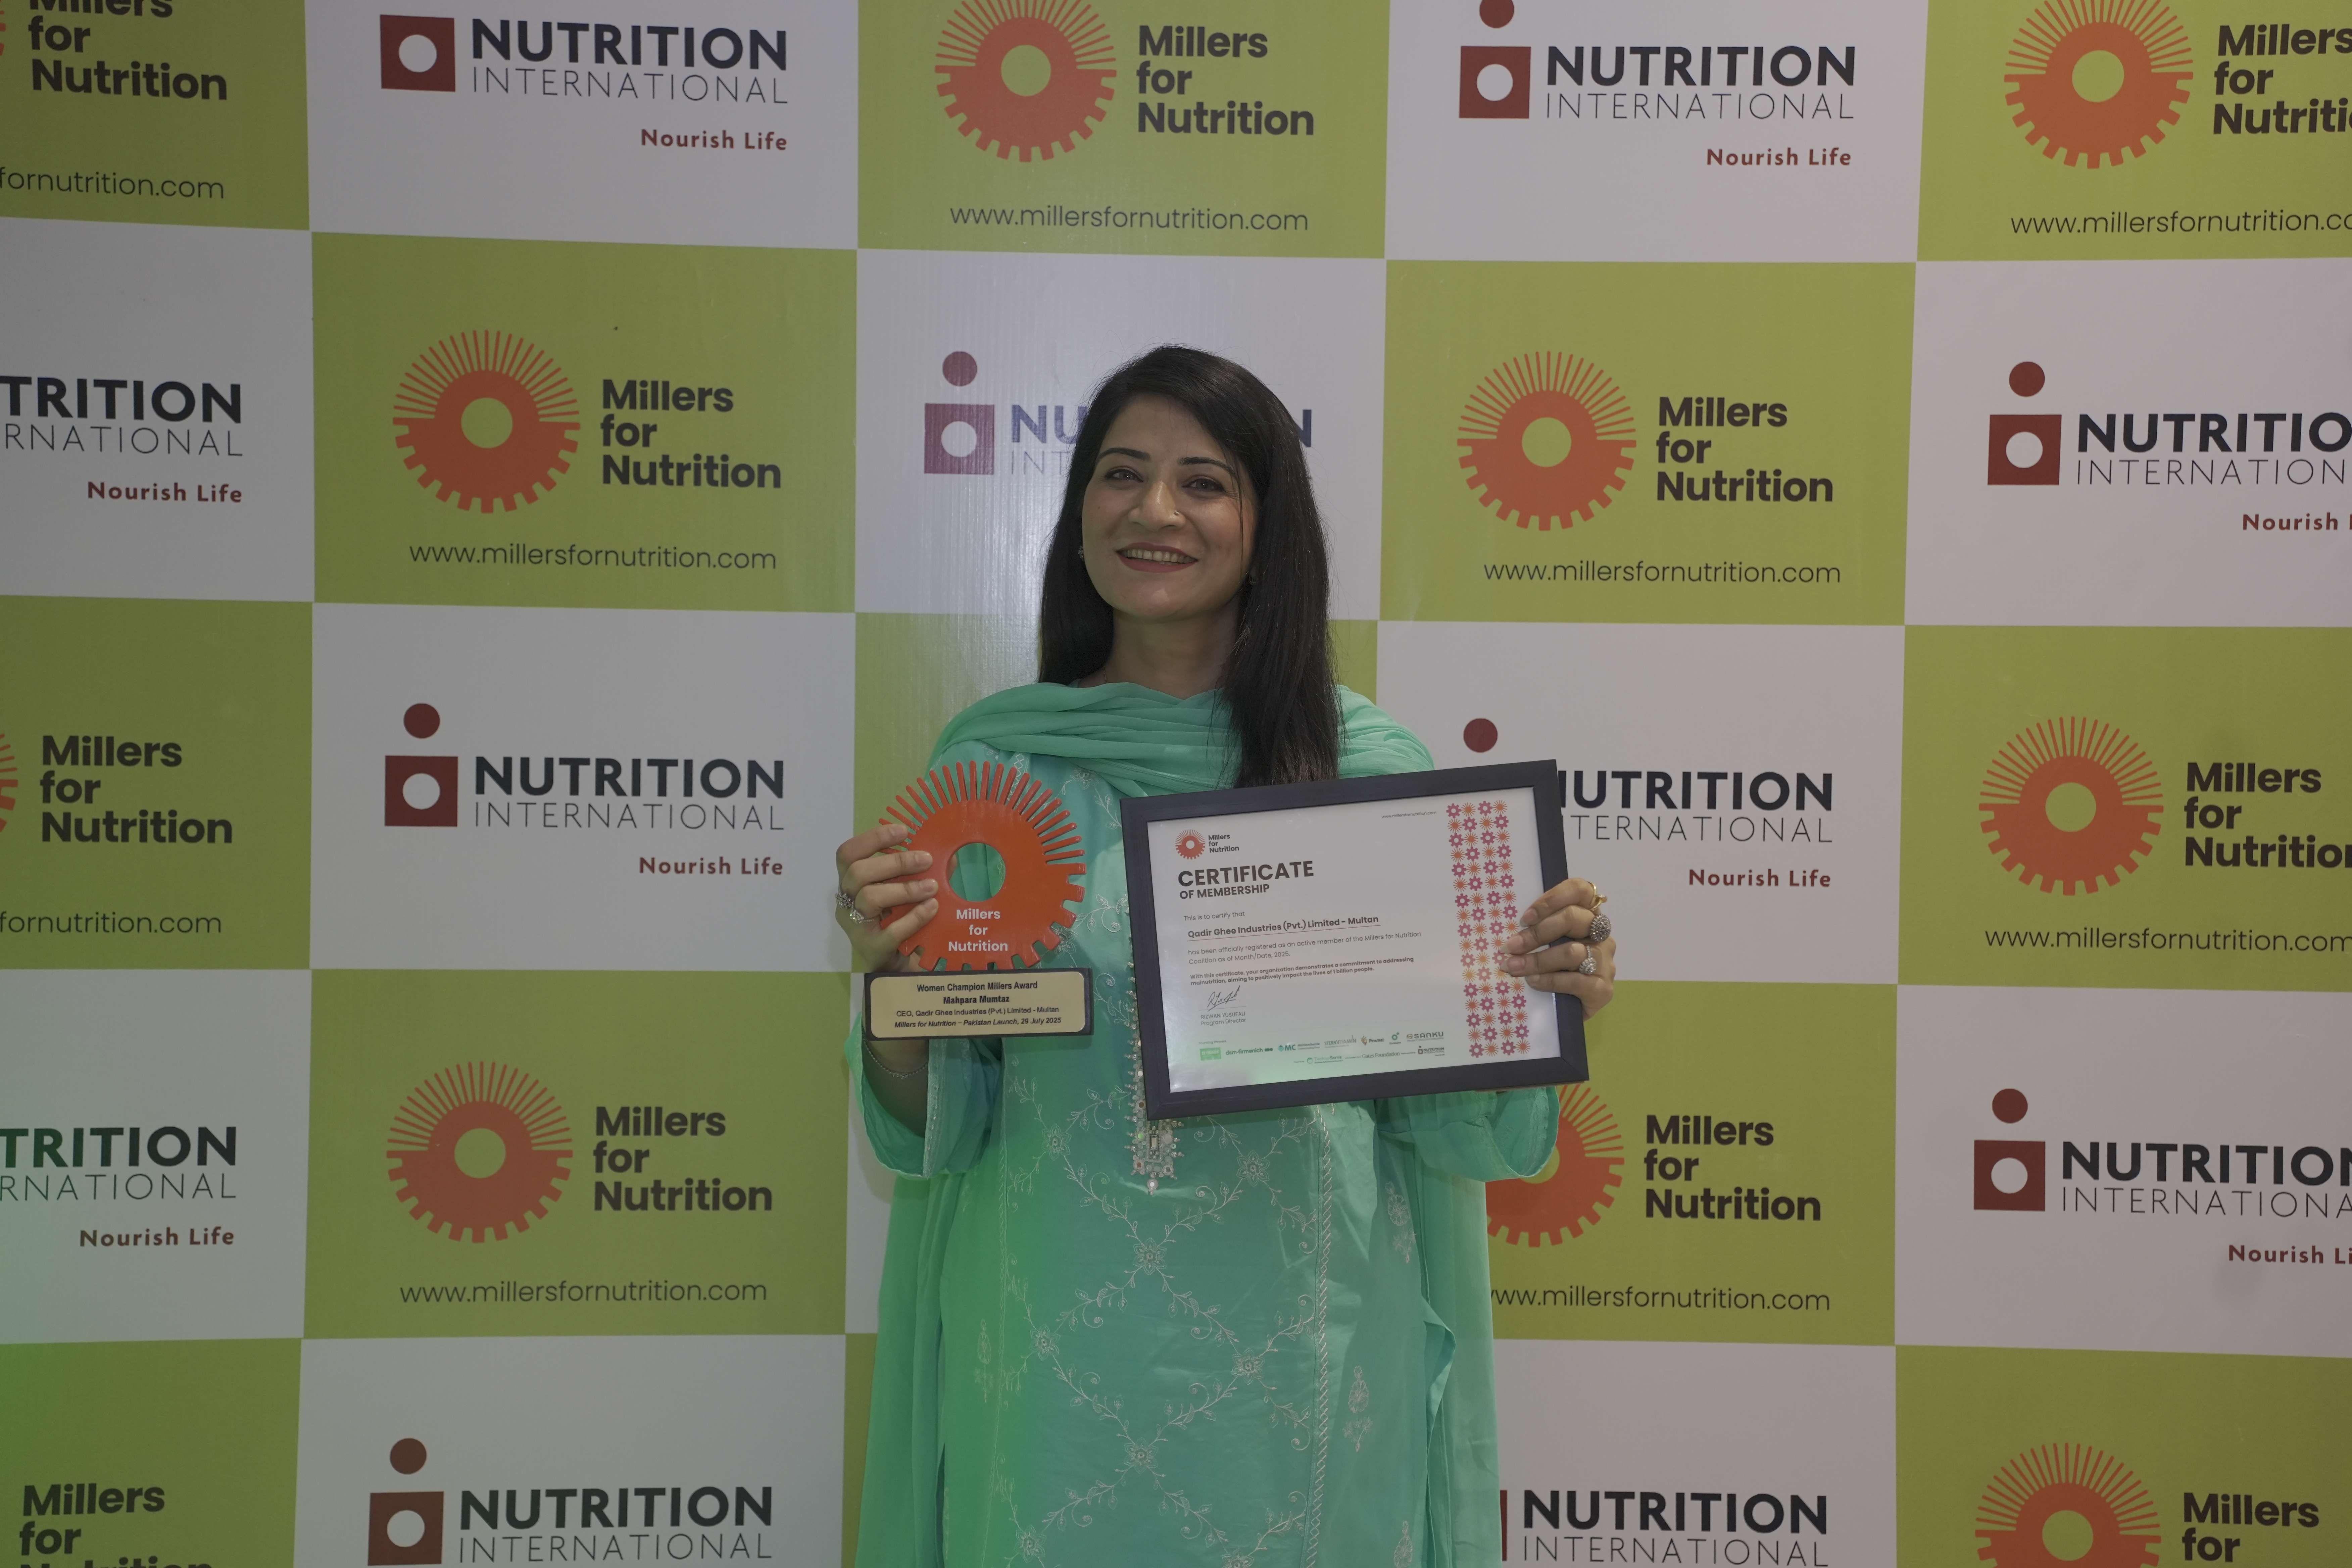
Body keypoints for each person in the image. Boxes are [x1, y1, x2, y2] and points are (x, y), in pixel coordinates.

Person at [836, 346, 1618, 1568]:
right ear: (1078, 513)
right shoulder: (994, 771)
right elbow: (936, 1123)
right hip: (1053, 1363)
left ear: (1268, 524)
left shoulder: (1373, 778)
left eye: (1203, 482)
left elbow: (1460, 1133)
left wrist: (1532, 995)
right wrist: (893, 986)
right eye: (1121, 475)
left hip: (1302, 1364)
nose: (1155, 512)